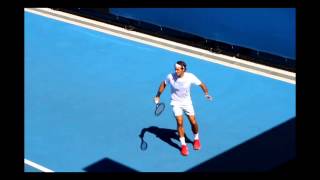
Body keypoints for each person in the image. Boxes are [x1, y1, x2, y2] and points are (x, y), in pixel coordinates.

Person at [154, 60, 213, 156]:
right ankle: (183, 145)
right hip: (175, 103)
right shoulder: (170, 76)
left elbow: (201, 84)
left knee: (193, 122)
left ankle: (196, 139)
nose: (176, 71)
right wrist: (158, 95)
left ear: (183, 69)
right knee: (179, 122)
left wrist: (206, 93)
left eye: (178, 69)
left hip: (187, 103)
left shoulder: (190, 77)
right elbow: (164, 84)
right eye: (175, 69)